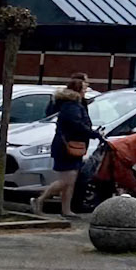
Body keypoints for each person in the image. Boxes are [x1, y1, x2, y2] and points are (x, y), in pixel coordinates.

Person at [34, 81, 96, 216]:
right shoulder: (72, 106)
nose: (85, 91)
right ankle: (40, 199)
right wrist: (93, 134)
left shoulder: (73, 104)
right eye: (84, 88)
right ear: (77, 90)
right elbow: (77, 125)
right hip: (66, 146)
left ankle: (66, 209)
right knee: (67, 179)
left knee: (71, 181)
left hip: (71, 145)